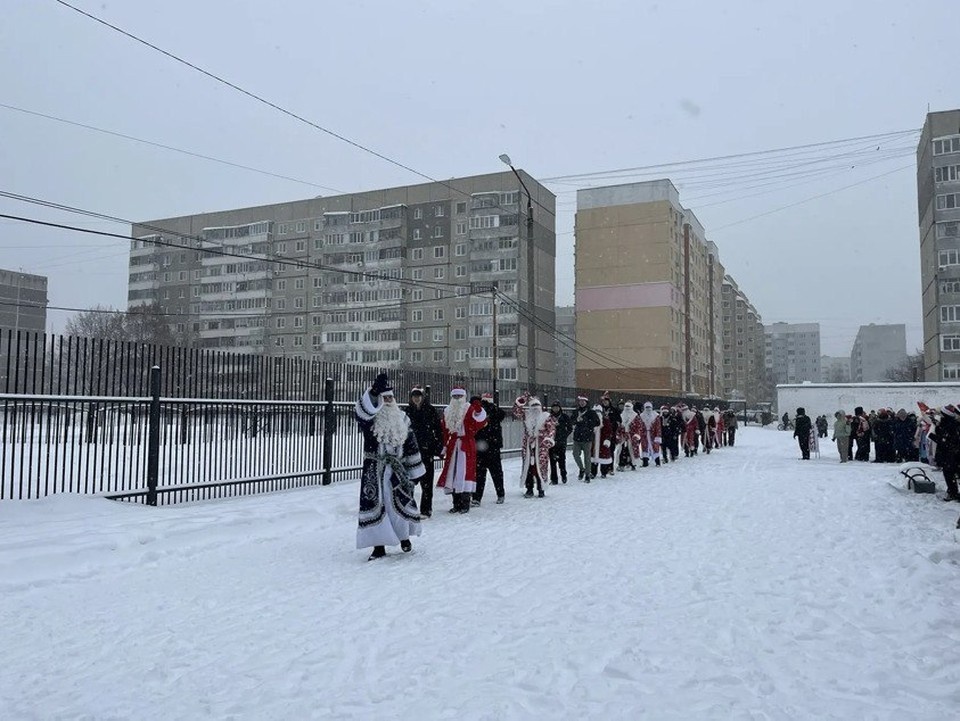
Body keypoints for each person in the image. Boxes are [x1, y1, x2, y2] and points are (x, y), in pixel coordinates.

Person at [355, 373, 425, 561]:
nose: (387, 401)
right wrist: (373, 392)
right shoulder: (371, 420)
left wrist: (415, 472)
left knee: (400, 506)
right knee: (378, 508)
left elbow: (411, 444)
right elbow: (361, 413)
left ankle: (404, 538)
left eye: (389, 398)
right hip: (375, 471)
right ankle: (379, 546)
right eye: (383, 398)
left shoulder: (403, 419)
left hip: (398, 472)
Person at [438, 387, 487, 513]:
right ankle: (456, 503)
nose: (457, 399)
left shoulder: (469, 409)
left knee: (465, 473)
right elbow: (445, 431)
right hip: (453, 446)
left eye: (460, 396)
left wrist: (478, 410)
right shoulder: (447, 411)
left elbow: (480, 422)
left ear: (464, 397)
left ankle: (465, 503)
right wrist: (444, 446)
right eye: (455, 396)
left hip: (466, 445)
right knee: (453, 474)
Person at [404, 386, 443, 518]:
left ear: (422, 397)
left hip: (426, 449)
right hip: (411, 451)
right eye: (414, 396)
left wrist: (438, 446)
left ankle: (426, 510)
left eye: (418, 396)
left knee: (427, 482)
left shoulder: (430, 410)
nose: (416, 398)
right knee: (410, 481)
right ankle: (408, 508)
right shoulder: (407, 411)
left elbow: (438, 429)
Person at [514, 394, 557, 498]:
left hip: (541, 447)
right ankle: (529, 489)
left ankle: (541, 488)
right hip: (528, 447)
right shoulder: (526, 415)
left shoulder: (546, 417)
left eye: (537, 406)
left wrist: (548, 440)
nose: (535, 408)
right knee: (528, 468)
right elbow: (516, 412)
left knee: (541, 468)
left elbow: (551, 430)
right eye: (533, 406)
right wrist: (521, 400)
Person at [473, 392, 506, 506]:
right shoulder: (478, 411)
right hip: (482, 445)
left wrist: (490, 407)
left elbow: (501, 415)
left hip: (491, 446)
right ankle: (477, 497)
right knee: (481, 474)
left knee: (494, 473)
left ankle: (499, 494)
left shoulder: (495, 411)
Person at [930, 404, 960, 502]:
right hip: (950, 454)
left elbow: (946, 441)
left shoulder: (949, 425)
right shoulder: (949, 423)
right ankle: (952, 491)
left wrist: (933, 436)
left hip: (950, 455)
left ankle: (953, 493)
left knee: (949, 474)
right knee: (951, 474)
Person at [571, 396, 599, 481]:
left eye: (583, 401)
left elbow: (597, 422)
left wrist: (586, 421)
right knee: (575, 454)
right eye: (580, 401)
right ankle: (581, 468)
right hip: (577, 437)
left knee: (587, 457)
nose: (582, 403)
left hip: (587, 437)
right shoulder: (576, 411)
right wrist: (576, 420)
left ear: (586, 402)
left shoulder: (591, 412)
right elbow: (571, 421)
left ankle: (587, 474)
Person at [548, 401, 573, 484]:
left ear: (559, 408)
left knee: (562, 460)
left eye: (557, 407)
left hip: (561, 442)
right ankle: (554, 479)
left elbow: (570, 428)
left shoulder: (564, 417)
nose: (555, 409)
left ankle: (563, 475)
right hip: (552, 441)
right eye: (554, 407)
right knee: (552, 461)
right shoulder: (549, 417)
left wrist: (564, 435)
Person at [591, 403, 616, 478]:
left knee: (603, 458)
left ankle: (603, 473)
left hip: (603, 442)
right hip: (593, 442)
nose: (597, 413)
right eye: (596, 411)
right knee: (593, 457)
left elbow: (609, 430)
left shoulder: (605, 420)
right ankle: (593, 472)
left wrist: (608, 439)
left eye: (598, 411)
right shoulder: (591, 420)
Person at [636, 401, 663, 467]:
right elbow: (640, 426)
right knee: (644, 447)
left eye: (649, 407)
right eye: (647, 407)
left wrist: (658, 435)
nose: (648, 409)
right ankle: (645, 462)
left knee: (655, 448)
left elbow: (658, 426)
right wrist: (640, 433)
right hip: (644, 434)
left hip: (653, 434)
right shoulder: (641, 416)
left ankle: (657, 462)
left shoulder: (656, 415)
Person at [617, 401, 641, 470]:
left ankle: (632, 463)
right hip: (623, 435)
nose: (627, 408)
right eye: (626, 406)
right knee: (622, 450)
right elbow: (619, 426)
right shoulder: (621, 415)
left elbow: (638, 426)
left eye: (629, 407)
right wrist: (619, 433)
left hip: (632, 436)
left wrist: (636, 434)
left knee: (631, 450)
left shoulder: (635, 416)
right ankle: (621, 464)